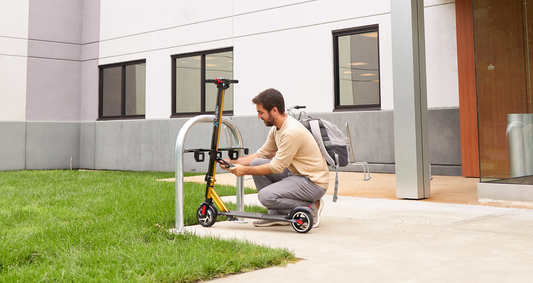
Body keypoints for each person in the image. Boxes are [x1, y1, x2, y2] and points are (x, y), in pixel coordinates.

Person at [221, 88, 329, 228]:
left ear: (274, 110)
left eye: (261, 112)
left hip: (313, 182)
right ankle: (275, 214)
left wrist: (244, 170)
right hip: (296, 175)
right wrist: (232, 163)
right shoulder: (276, 129)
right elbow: (262, 154)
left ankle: (311, 206)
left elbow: (276, 167)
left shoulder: (291, 132)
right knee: (256, 162)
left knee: (265, 196)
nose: (259, 117)